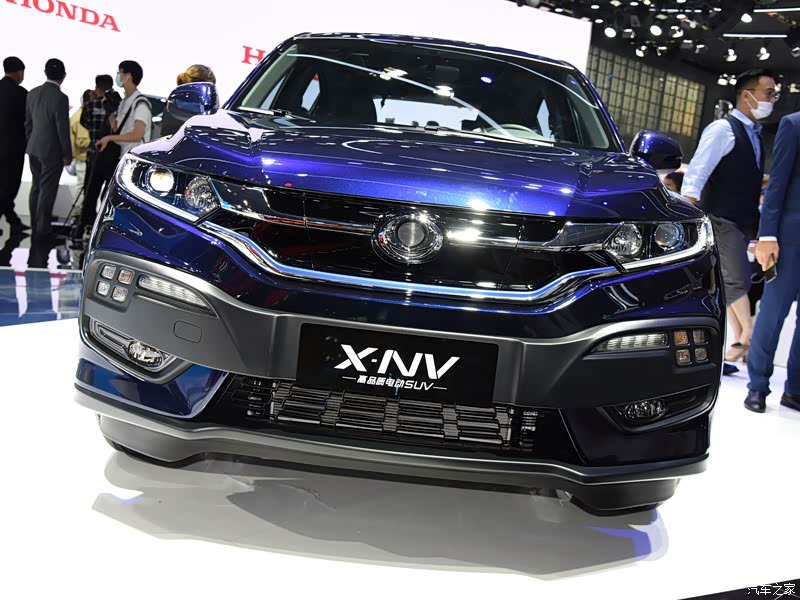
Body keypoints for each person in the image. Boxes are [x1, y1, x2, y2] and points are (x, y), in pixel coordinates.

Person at [681, 68, 777, 375]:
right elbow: (697, 172)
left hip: (740, 221)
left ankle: (734, 345)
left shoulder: (754, 135)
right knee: (737, 280)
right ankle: (745, 337)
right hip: (719, 218)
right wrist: (686, 213)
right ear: (747, 95)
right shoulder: (723, 129)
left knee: (727, 284)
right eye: (768, 93)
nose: (772, 100)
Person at [744, 111, 800, 413]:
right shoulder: (794, 125)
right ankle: (757, 386)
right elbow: (777, 183)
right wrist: (767, 235)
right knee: (773, 313)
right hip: (789, 240)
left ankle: (795, 390)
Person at [83, 62, 152, 232]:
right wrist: (110, 112)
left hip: (134, 162)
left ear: (128, 76)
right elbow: (118, 128)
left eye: (120, 73)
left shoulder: (140, 103)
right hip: (122, 159)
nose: (118, 77)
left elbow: (137, 134)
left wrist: (109, 138)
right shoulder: (125, 102)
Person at [25, 58, 71, 241]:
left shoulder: (32, 93)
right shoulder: (61, 98)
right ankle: (43, 230)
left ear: (45, 73)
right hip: (52, 151)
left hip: (34, 148)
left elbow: (28, 124)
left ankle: (35, 226)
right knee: (47, 190)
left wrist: (31, 143)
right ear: (64, 76)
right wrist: (67, 153)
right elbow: (62, 129)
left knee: (36, 187)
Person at [79, 74, 118, 235]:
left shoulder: (89, 105)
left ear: (96, 87)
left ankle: (86, 225)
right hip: (111, 156)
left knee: (90, 193)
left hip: (93, 154)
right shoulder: (116, 106)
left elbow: (84, 123)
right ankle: (102, 225)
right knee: (108, 193)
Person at [0, 56, 29, 235]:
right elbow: (27, 122)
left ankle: (14, 221)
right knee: (9, 187)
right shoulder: (21, 94)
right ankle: (13, 221)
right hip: (13, 148)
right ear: (20, 72)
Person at [68, 89, 92, 214]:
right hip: (83, 158)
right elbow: (82, 141)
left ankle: (79, 213)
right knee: (82, 187)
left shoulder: (78, 114)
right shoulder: (82, 116)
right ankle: (77, 214)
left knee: (82, 186)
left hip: (81, 157)